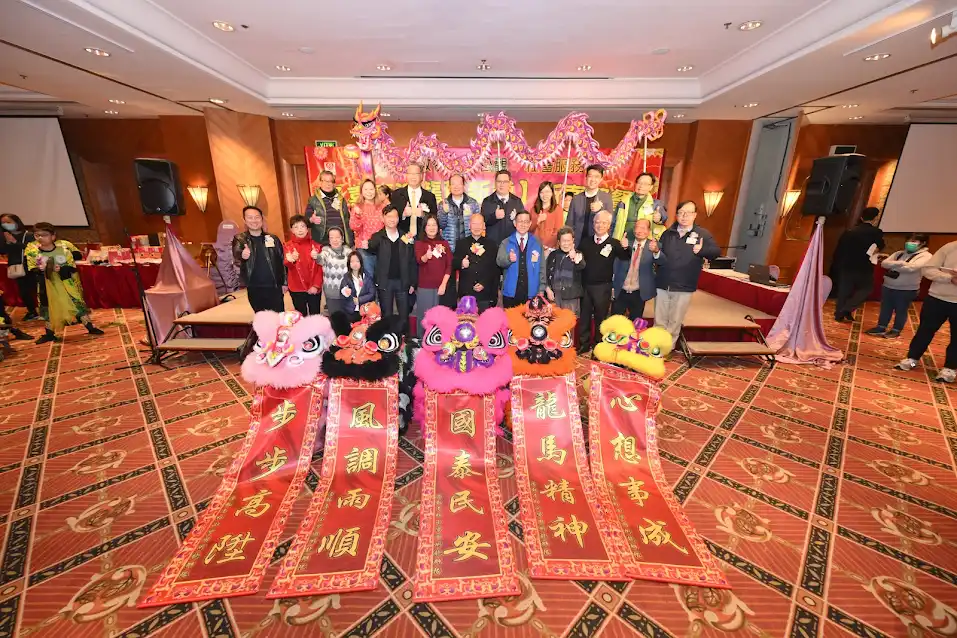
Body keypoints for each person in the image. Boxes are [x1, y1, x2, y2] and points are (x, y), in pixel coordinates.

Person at [24, 222, 104, 344]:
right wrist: (41, 270)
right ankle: (49, 334)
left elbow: (71, 267)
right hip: (47, 285)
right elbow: (31, 269)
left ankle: (90, 327)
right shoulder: (33, 252)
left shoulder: (63, 250)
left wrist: (60, 269)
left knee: (77, 305)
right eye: (37, 235)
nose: (40, 238)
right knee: (48, 308)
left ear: (53, 236)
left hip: (66, 283)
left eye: (44, 235)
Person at [655, 201, 721, 348]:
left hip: (684, 285)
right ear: (676, 215)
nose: (684, 216)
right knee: (659, 319)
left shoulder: (702, 234)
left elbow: (716, 252)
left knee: (675, 320)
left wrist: (702, 251)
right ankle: (656, 346)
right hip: (663, 282)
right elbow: (660, 255)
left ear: (695, 215)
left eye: (688, 213)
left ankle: (667, 348)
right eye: (681, 213)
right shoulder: (667, 233)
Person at [896, 240, 957, 383]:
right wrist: (950, 278)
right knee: (925, 330)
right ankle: (912, 359)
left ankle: (950, 368)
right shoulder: (950, 247)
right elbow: (928, 270)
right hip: (937, 298)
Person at [578, 211, 628, 352]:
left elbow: (625, 257)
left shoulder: (614, 243)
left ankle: (599, 346)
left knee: (601, 318)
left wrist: (625, 247)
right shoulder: (585, 242)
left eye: (604, 223)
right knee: (584, 317)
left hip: (603, 287)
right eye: (597, 222)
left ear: (609, 225)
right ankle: (584, 344)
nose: (600, 225)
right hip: (585, 286)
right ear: (593, 224)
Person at [866, 233, 931, 338]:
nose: (909, 243)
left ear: (923, 243)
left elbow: (911, 268)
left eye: (914, 241)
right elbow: (884, 264)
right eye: (908, 240)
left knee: (901, 310)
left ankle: (896, 330)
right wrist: (901, 263)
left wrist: (894, 264)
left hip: (906, 289)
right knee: (885, 308)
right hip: (888, 285)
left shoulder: (926, 256)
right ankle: (881, 327)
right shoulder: (899, 253)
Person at [368, 205, 417, 331]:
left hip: (403, 281)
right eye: (389, 216)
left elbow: (412, 260)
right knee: (386, 315)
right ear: (383, 218)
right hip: (385, 282)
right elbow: (370, 247)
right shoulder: (378, 237)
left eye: (394, 216)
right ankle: (387, 339)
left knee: (404, 315)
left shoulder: (405, 236)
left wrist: (413, 282)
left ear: (398, 218)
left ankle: (404, 338)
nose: (392, 219)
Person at [832, 207, 884, 322]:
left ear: (861, 217)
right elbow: (880, 246)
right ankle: (847, 308)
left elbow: (840, 249)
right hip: (864, 266)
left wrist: (837, 264)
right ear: (875, 219)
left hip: (847, 265)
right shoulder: (876, 232)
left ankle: (839, 314)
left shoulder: (849, 231)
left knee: (844, 290)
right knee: (866, 288)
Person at [232, 206, 285, 313]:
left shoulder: (273, 238)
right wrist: (242, 255)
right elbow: (236, 255)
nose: (254, 220)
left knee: (279, 316)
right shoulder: (240, 239)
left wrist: (285, 282)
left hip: (274, 286)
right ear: (244, 220)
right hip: (254, 286)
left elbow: (282, 260)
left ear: (262, 219)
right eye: (250, 217)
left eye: (257, 217)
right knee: (261, 317)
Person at [438, 174, 478, 307]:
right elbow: (440, 225)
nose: (456, 186)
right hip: (449, 248)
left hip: (468, 248)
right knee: (449, 282)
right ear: (449, 187)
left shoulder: (472, 203)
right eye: (453, 184)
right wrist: (443, 213)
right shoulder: (443, 203)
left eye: (459, 183)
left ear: (464, 185)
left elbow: (477, 225)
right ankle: (449, 310)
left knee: (467, 281)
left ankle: (467, 310)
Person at [612, 218, 664, 319]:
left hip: (639, 292)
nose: (639, 231)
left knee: (635, 323)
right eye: (637, 227)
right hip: (621, 290)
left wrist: (656, 251)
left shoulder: (654, 246)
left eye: (643, 228)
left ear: (648, 231)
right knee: (615, 321)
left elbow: (662, 262)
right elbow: (615, 265)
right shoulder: (625, 243)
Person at [413, 216, 452, 337]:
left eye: (434, 225)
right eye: (428, 225)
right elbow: (419, 260)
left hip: (441, 287)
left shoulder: (444, 243)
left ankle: (439, 341)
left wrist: (443, 284)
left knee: (440, 318)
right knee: (424, 316)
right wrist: (426, 256)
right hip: (425, 286)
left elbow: (449, 266)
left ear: (438, 227)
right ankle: (422, 341)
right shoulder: (419, 243)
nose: (431, 228)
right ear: (424, 228)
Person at [497, 210, 543, 308]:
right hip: (510, 293)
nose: (523, 224)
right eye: (520, 221)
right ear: (514, 223)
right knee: (510, 317)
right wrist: (508, 259)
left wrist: (542, 289)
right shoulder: (506, 242)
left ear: (530, 223)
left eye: (526, 221)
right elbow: (499, 261)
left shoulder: (537, 243)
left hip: (531, 292)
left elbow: (542, 267)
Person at [453, 214, 498, 310]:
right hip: (466, 292)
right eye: (474, 224)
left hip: (486, 293)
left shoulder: (492, 245)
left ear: (484, 226)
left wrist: (484, 283)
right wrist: (461, 263)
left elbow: (495, 269)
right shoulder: (461, 243)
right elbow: (453, 263)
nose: (477, 227)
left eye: (479, 224)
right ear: (469, 226)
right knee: (466, 319)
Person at [283, 214, 324, 316]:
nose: (300, 230)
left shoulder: (316, 246)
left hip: (313, 287)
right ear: (292, 230)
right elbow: (286, 265)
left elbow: (320, 268)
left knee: (315, 316)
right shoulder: (287, 246)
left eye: (302, 226)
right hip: (296, 288)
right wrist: (291, 260)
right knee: (300, 316)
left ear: (307, 228)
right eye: (296, 227)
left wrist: (316, 286)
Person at [0, 213, 39, 320]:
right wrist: (6, 242)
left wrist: (15, 242)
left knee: (37, 290)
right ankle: (32, 311)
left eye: (8, 222)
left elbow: (33, 249)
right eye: (3, 223)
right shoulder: (4, 236)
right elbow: (3, 251)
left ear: (16, 222)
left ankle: (45, 311)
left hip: (30, 266)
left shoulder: (28, 235)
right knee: (23, 292)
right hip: (16, 267)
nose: (6, 224)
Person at [568, 164, 615, 247]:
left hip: (597, 244)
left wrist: (600, 209)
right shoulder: (576, 198)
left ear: (601, 179)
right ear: (586, 178)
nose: (593, 179)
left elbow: (610, 224)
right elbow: (569, 223)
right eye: (590, 176)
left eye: (596, 177)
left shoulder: (606, 198)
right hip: (577, 243)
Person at [542, 226, 585, 313]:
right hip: (554, 296)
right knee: (553, 320)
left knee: (569, 320)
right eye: (563, 241)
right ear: (558, 242)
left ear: (573, 241)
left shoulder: (578, 254)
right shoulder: (553, 255)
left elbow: (582, 266)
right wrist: (547, 289)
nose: (566, 244)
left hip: (571, 297)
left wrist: (575, 258)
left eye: (568, 241)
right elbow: (544, 274)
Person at [614, 172, 667, 242]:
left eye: (645, 184)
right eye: (639, 183)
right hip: (622, 240)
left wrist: (659, 219)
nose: (641, 186)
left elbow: (664, 218)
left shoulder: (655, 204)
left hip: (643, 242)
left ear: (651, 187)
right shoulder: (623, 201)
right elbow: (613, 222)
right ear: (635, 184)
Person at [390, 163, 438, 238]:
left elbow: (435, 218)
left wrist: (423, 215)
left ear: (421, 176)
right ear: (406, 176)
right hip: (402, 238)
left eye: (416, 174)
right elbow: (391, 218)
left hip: (423, 238)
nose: (413, 177)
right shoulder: (396, 195)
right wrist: (403, 214)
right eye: (410, 174)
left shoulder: (430, 196)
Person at [305, 170, 352, 244]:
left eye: (331, 181)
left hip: (341, 242)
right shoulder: (313, 200)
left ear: (334, 184)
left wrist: (350, 241)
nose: (329, 184)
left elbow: (348, 221)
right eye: (326, 181)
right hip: (322, 242)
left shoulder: (341, 199)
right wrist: (311, 220)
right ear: (320, 183)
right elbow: (306, 221)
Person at [349, 178, 385, 272]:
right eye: (366, 189)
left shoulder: (382, 207)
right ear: (361, 191)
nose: (369, 192)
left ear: (375, 190)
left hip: (381, 247)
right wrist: (357, 216)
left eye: (371, 189)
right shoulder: (358, 207)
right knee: (368, 276)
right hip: (364, 248)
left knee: (382, 276)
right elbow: (353, 227)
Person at [481, 169, 525, 246]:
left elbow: (523, 223)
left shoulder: (517, 201)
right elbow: (482, 222)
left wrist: (516, 219)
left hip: (512, 245)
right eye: (499, 181)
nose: (502, 184)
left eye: (505, 182)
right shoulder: (487, 201)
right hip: (492, 245)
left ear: (510, 183)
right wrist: (494, 216)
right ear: (495, 183)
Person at [317, 227, 352, 317]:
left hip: (347, 291)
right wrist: (316, 256)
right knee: (335, 318)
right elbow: (320, 260)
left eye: (337, 237)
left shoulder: (348, 252)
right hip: (331, 292)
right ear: (329, 240)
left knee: (348, 318)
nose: (335, 240)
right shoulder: (326, 251)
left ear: (342, 238)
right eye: (331, 238)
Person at [340, 252, 375, 322]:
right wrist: (345, 291)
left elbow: (372, 293)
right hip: (350, 311)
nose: (355, 264)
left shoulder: (367, 277)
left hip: (365, 311)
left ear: (361, 262)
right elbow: (342, 291)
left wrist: (359, 300)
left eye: (357, 261)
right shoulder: (346, 277)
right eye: (352, 261)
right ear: (349, 264)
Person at [532, 181, 563, 250]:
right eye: (542, 192)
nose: (544, 195)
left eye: (547, 192)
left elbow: (558, 231)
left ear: (552, 193)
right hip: (534, 246)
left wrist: (547, 247)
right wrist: (537, 221)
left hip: (550, 248)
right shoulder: (534, 209)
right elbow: (530, 229)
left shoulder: (557, 209)